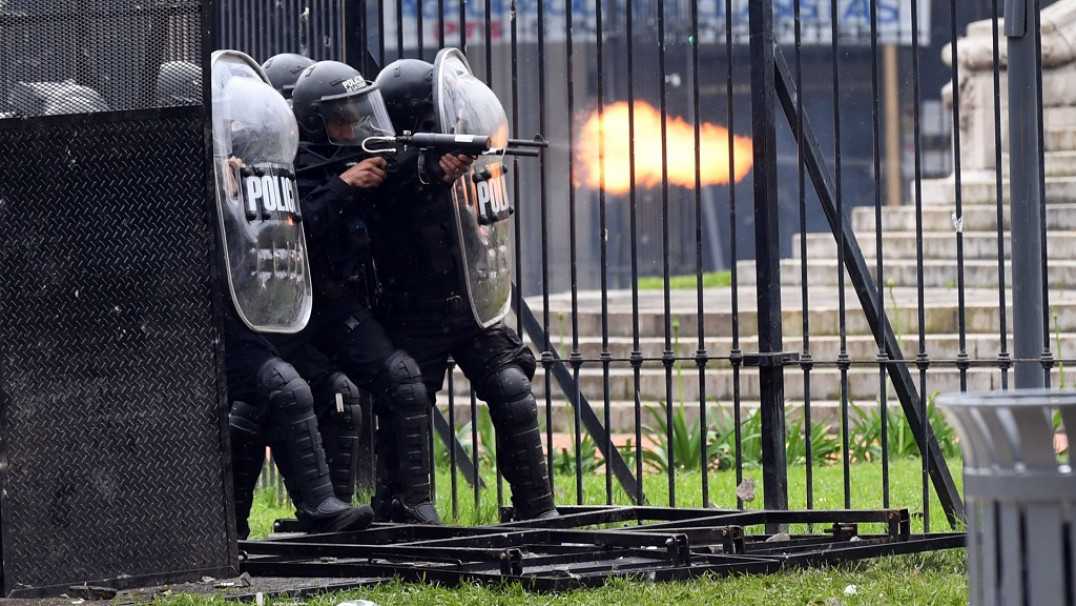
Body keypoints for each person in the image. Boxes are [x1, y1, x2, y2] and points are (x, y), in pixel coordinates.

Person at [363, 57, 558, 521]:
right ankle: (406, 509)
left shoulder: (455, 156)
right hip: (412, 314)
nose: (442, 124)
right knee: (406, 398)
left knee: (511, 385)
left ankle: (536, 508)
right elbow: (395, 191)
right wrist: (431, 173)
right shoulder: (379, 164)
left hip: (467, 307)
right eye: (430, 119)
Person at [209, 50, 374, 537]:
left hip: (260, 310)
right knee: (280, 388)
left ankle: (316, 510)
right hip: (203, 321)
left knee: (313, 392)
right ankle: (311, 508)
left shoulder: (254, 163)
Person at [284, 60, 440, 524]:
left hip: (339, 305)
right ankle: (322, 512)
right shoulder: (287, 164)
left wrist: (433, 170)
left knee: (403, 380)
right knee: (317, 395)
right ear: (314, 121)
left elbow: (406, 193)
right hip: (289, 311)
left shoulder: (359, 155)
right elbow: (291, 229)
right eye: (340, 119)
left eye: (356, 115)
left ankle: (407, 504)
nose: (352, 127)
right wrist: (343, 186)